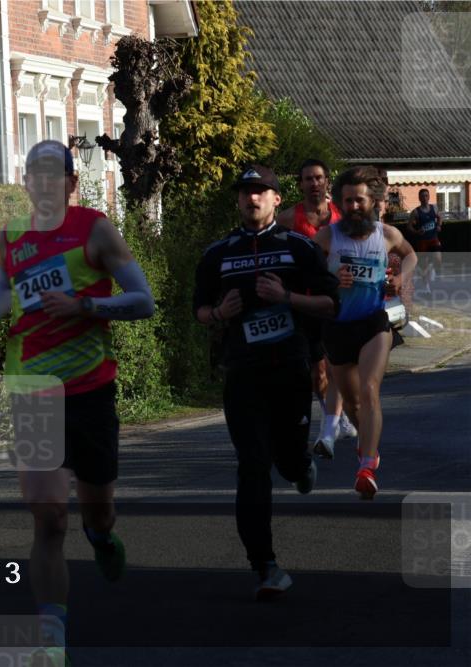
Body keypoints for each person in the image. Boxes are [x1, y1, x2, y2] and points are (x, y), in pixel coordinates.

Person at [0, 140, 154, 662]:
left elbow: (143, 302)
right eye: (35, 174)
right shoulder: (12, 233)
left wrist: (84, 307)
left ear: (72, 183)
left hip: (90, 389)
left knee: (99, 513)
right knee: (50, 517)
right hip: (31, 388)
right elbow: (3, 287)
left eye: (54, 175)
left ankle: (102, 538)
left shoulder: (95, 229)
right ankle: (51, 640)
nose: (44, 183)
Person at [194, 164, 339, 600]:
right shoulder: (218, 254)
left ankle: (301, 466)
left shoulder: (299, 247)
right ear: (238, 200)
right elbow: (198, 309)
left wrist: (287, 298)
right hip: (243, 374)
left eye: (261, 191)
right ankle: (265, 566)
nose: (252, 198)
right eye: (245, 192)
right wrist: (219, 313)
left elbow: (331, 303)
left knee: (289, 463)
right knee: (253, 464)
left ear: (277, 199)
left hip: (290, 371)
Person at [313, 166, 417, 500]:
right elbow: (305, 275)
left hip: (373, 323)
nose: (354, 207)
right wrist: (331, 281)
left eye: (360, 200)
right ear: (339, 203)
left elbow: (410, 255)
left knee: (370, 388)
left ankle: (367, 467)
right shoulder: (327, 238)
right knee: (353, 402)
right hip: (338, 327)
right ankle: (365, 445)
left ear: (372, 200)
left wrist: (400, 278)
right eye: (348, 201)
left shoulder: (386, 234)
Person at [275, 159, 357, 457]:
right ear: (300, 184)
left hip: (338, 301)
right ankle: (336, 418)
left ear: (327, 182)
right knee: (318, 372)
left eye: (319, 178)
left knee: (338, 365)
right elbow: (276, 254)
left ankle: (335, 423)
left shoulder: (342, 217)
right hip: (305, 303)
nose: (314, 183)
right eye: (308, 178)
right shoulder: (287, 219)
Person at [407, 188, 443, 291]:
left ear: (429, 197)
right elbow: (409, 227)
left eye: (426, 195)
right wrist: (417, 232)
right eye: (422, 196)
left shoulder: (434, 208)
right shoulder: (415, 212)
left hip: (433, 238)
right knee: (424, 265)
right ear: (419, 198)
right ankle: (427, 287)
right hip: (422, 241)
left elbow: (440, 217)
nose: (424, 198)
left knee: (438, 259)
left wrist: (439, 225)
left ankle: (432, 269)